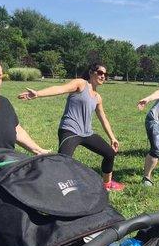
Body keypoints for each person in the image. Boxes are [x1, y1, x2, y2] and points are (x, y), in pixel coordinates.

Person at [18, 63, 125, 192]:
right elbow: (60, 88)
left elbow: (103, 119)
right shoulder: (81, 83)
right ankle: (42, 184)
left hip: (86, 133)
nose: (103, 76)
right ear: (91, 72)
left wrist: (112, 137)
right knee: (63, 161)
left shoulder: (97, 97)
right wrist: (38, 94)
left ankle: (107, 183)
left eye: (105, 75)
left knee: (109, 153)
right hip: (70, 130)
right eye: (100, 73)